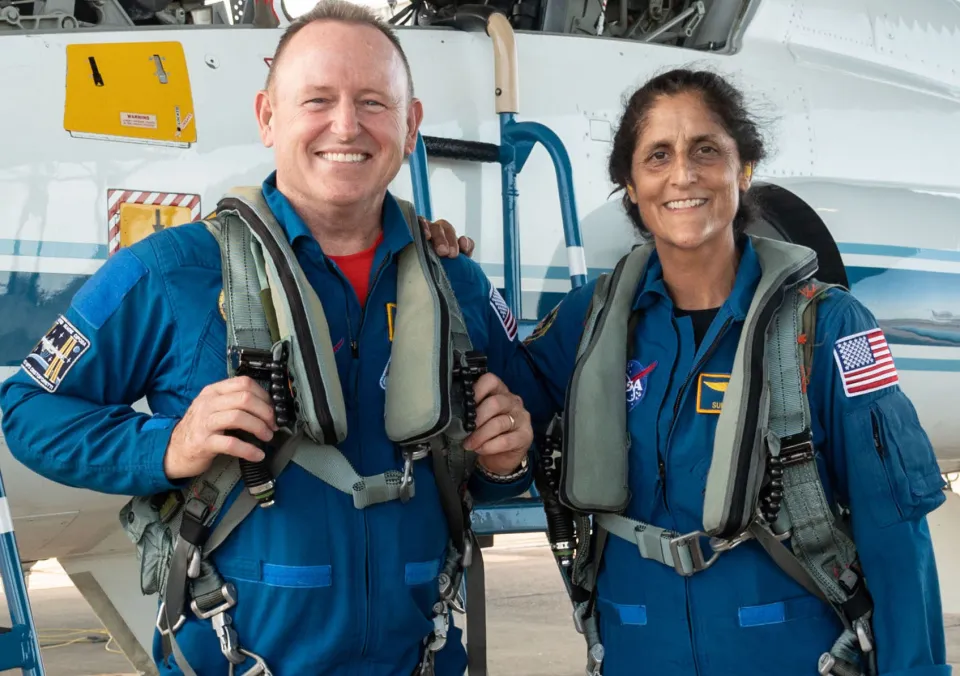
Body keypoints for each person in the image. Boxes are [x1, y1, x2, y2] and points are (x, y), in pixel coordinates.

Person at [0, 2, 535, 675]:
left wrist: (505, 460)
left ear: (410, 125)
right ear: (267, 117)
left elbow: (523, 433)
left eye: (373, 102)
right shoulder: (172, 272)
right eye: (317, 99)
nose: (346, 125)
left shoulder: (455, 283)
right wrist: (169, 445)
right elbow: (28, 410)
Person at [432, 68, 950, 676]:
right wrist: (457, 273)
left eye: (706, 150)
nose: (683, 174)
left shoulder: (826, 326)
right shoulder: (593, 321)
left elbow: (893, 525)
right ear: (630, 184)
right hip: (638, 649)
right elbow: (513, 400)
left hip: (789, 652)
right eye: (658, 156)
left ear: (744, 168)